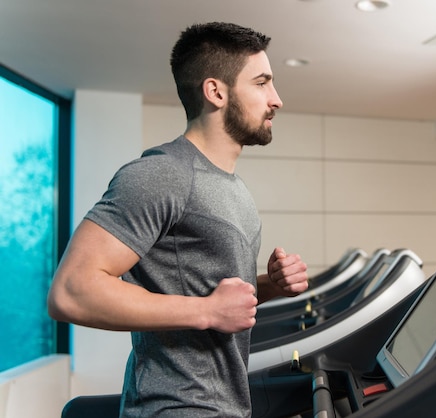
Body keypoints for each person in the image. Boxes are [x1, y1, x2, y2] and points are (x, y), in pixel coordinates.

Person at [47, 22, 309, 417]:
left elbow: (210, 293)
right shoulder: (163, 173)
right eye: (261, 83)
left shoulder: (234, 190)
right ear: (216, 92)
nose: (276, 99)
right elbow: (71, 291)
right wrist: (206, 311)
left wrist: (270, 286)